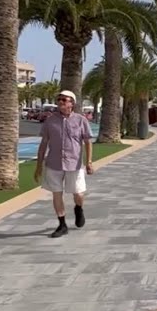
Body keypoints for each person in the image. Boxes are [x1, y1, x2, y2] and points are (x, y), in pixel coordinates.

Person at [35, 90, 94, 238]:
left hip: (74, 163)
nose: (61, 102)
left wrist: (89, 162)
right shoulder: (50, 120)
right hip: (53, 163)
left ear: (72, 103)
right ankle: (62, 225)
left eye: (64, 100)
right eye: (59, 99)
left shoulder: (81, 120)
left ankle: (78, 208)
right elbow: (44, 143)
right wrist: (38, 165)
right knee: (56, 193)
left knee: (79, 193)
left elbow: (87, 142)